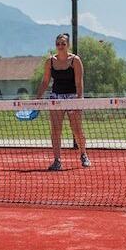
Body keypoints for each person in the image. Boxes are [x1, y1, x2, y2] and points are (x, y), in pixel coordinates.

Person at [34, 33, 90, 171]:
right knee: (55, 130)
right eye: (58, 44)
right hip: (56, 98)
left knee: (77, 130)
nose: (60, 46)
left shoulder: (75, 60)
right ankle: (57, 161)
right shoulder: (50, 61)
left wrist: (79, 99)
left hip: (72, 97)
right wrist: (37, 99)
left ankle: (83, 154)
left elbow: (79, 82)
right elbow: (45, 81)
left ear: (68, 45)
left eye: (63, 44)